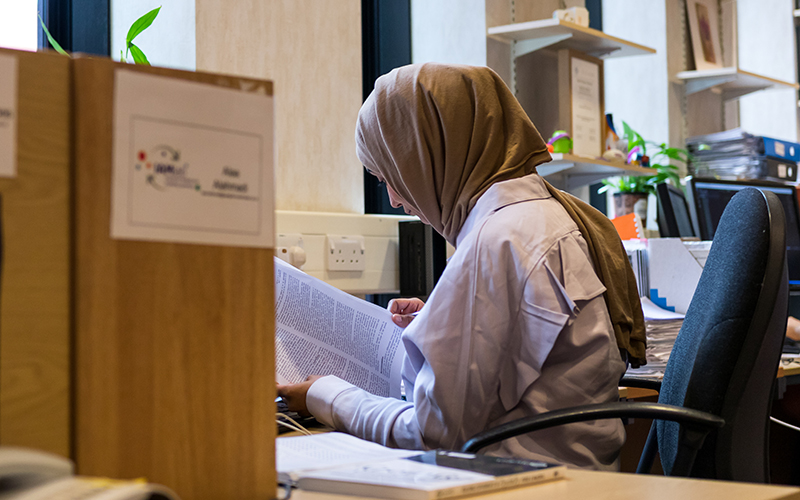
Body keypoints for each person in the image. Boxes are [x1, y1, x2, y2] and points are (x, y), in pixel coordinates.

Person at [277, 63, 646, 470]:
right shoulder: (553, 215)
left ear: (430, 155)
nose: (396, 199)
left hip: (521, 485)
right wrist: (440, 320)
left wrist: (325, 395)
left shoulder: (500, 238)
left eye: (390, 177)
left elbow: (430, 432)